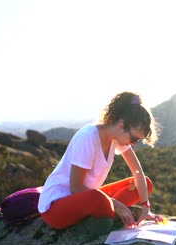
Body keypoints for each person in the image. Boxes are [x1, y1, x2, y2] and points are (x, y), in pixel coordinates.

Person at [38, 91, 163, 229]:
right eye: (134, 139)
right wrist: (117, 204)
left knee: (145, 183)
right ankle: (109, 211)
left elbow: (137, 172)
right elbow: (75, 187)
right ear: (121, 126)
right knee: (98, 198)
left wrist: (146, 207)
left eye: (138, 141)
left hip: (88, 199)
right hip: (57, 206)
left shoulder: (116, 138)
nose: (134, 144)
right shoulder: (88, 137)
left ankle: (106, 211)